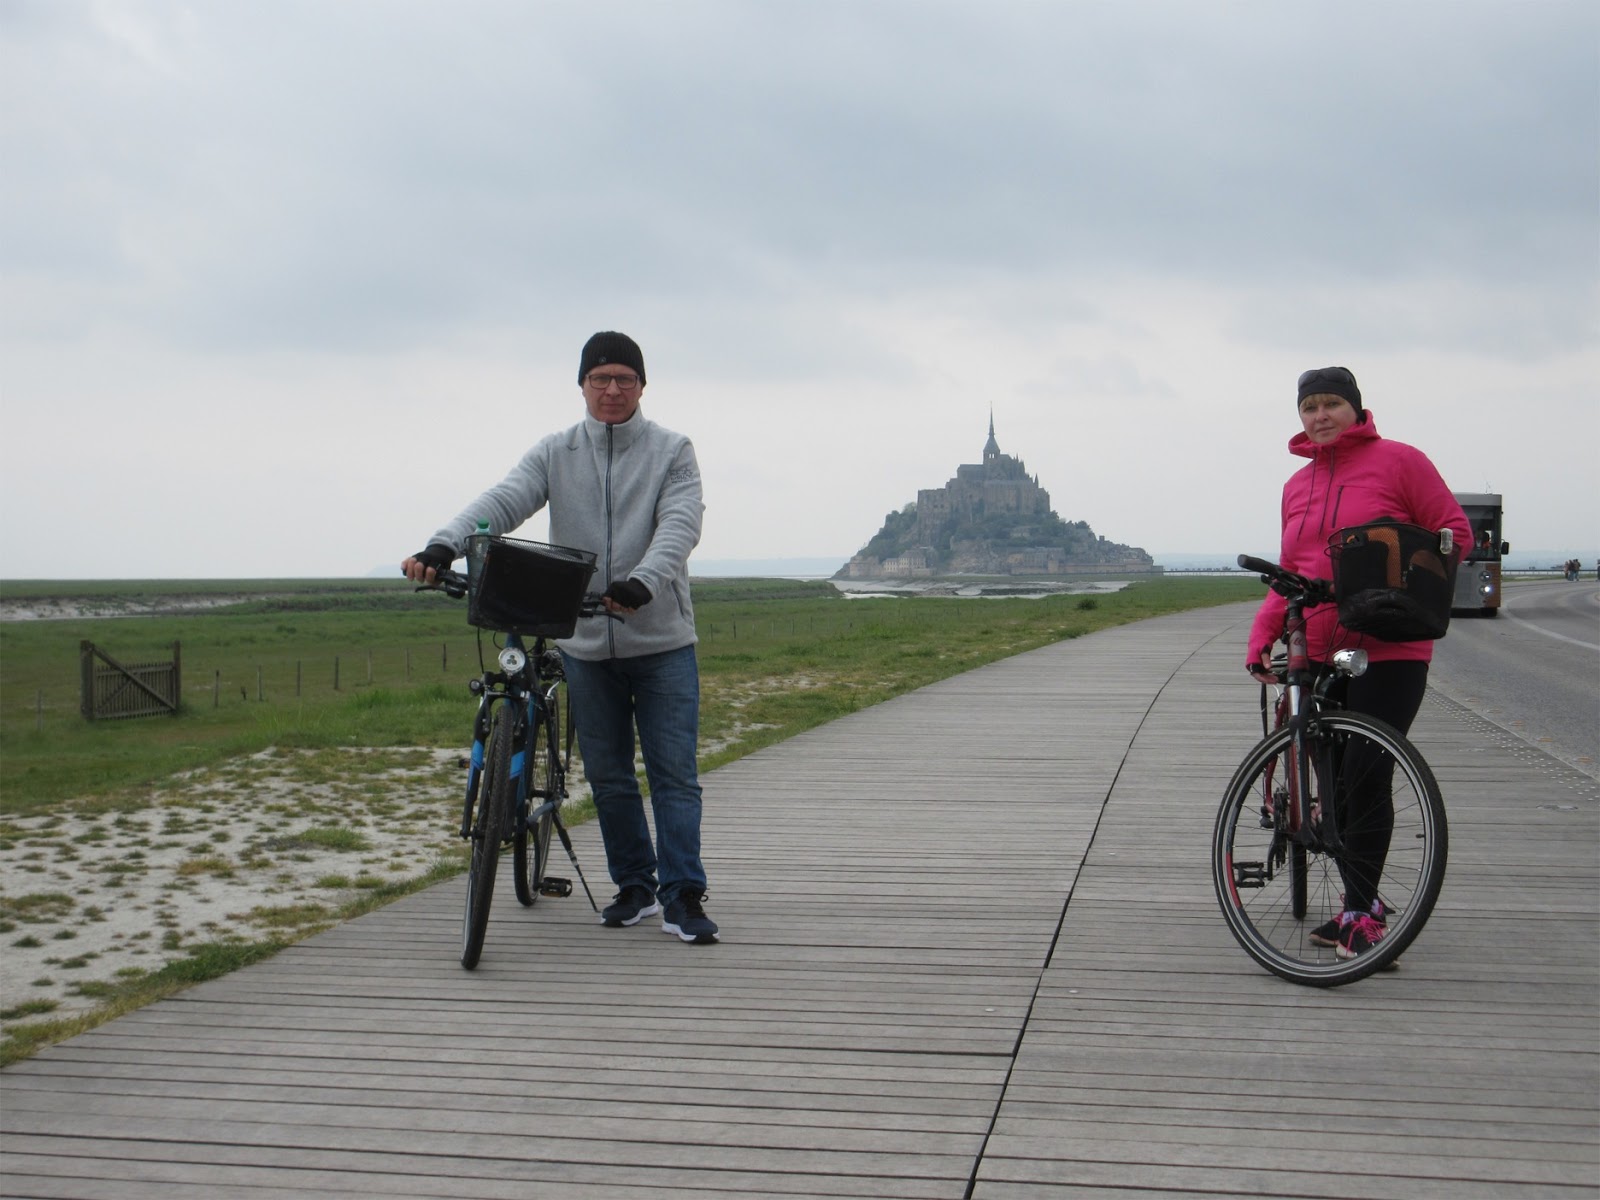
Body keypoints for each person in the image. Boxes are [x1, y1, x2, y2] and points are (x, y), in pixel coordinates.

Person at [402, 331, 717, 944]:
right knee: (609, 775)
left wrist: (644, 582)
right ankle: (635, 887)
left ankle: (683, 894)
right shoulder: (556, 451)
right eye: (600, 378)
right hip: (585, 645)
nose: (612, 389)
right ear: (582, 385)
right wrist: (445, 544)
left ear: (642, 386)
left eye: (624, 378)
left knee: (674, 775)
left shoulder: (672, 450)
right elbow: (504, 500)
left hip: (662, 643)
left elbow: (681, 524)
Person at [1246, 366, 1470, 962]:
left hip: (1389, 645)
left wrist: (1396, 574)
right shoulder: (1296, 485)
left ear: (1355, 408)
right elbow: (1291, 573)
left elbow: (1454, 534)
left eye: (1331, 404)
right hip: (1319, 646)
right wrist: (1263, 634)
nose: (1320, 416)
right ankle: (1357, 899)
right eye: (1309, 407)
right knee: (1334, 780)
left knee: (1366, 774)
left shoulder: (1401, 462)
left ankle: (1363, 914)